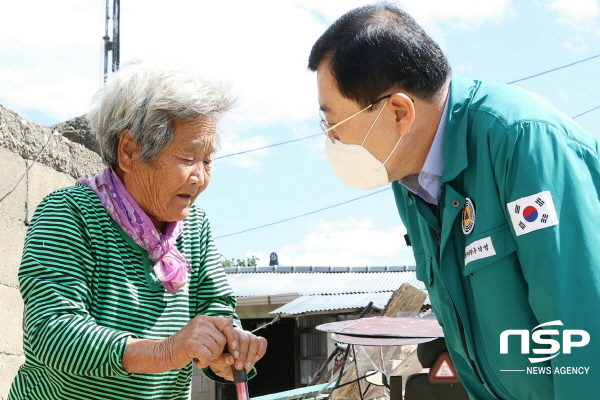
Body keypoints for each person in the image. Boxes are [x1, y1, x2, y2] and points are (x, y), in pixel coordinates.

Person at [308, 3, 600, 400]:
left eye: (334, 123)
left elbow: (582, 326)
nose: (331, 139)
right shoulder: (408, 179)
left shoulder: (520, 141)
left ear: (398, 111)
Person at [8, 62, 267, 400]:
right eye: (188, 157)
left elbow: (215, 303)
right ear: (130, 150)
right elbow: (52, 332)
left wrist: (224, 347)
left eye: (207, 160)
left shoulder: (195, 225)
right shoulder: (70, 213)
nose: (200, 177)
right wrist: (166, 351)